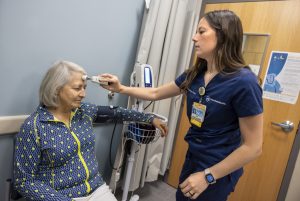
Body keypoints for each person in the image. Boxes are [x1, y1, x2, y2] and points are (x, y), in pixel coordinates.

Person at [99, 10, 263, 201]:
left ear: (223, 35)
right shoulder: (195, 74)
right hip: (194, 156)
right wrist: (121, 88)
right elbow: (155, 93)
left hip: (219, 167)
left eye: (201, 32)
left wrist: (208, 176)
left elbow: (253, 147)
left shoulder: (244, 82)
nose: (194, 38)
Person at [13, 60, 168, 201]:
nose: (83, 94)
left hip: (97, 189)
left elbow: (118, 112)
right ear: (56, 90)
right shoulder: (34, 127)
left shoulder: (84, 112)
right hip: (60, 195)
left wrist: (149, 118)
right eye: (77, 88)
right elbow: (24, 181)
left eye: (84, 88)